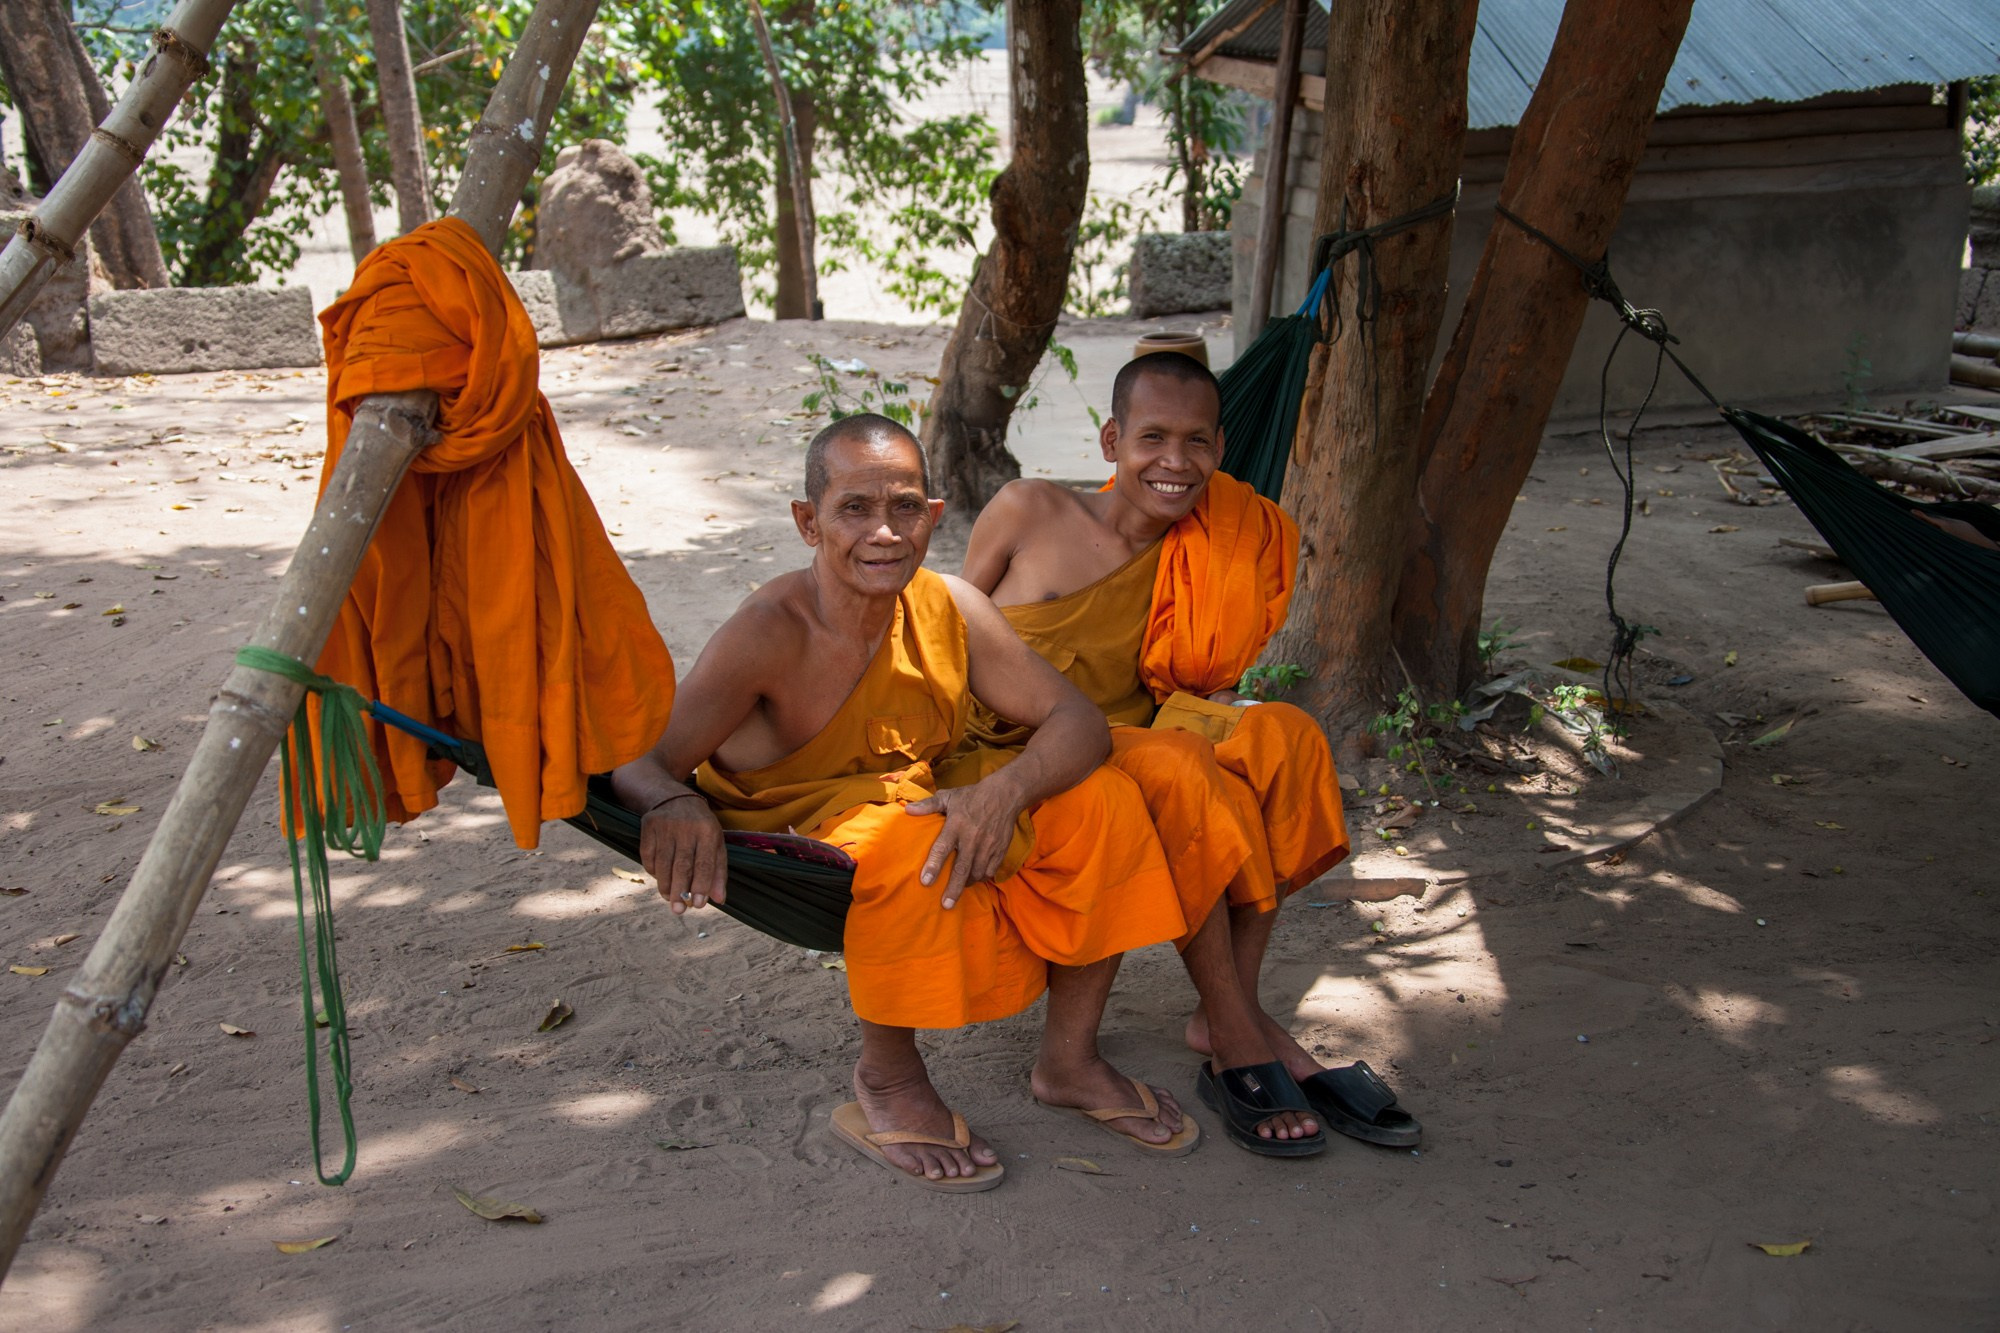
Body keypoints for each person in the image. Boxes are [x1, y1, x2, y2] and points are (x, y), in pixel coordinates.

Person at [613, 413, 1199, 1193]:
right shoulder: (768, 631)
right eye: (854, 508)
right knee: (913, 845)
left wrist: (1003, 792)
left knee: (1104, 803)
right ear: (807, 521)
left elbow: (1078, 721)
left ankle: (1071, 1059)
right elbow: (643, 761)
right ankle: (887, 1078)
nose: (883, 532)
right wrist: (670, 804)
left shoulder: (949, 605)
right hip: (811, 835)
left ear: (934, 515)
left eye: (904, 508)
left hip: (928, 797)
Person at [960, 351, 1423, 1153]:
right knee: (1181, 775)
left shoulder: (1212, 545)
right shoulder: (1028, 509)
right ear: (1111, 441)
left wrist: (1224, 711)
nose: (1175, 463)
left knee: (1284, 737)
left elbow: (1189, 678)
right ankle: (1244, 1033)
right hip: (1009, 749)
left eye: (1198, 442)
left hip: (1126, 734)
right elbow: (947, 637)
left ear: (1219, 447)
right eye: (1152, 438)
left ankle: (1223, 1009)